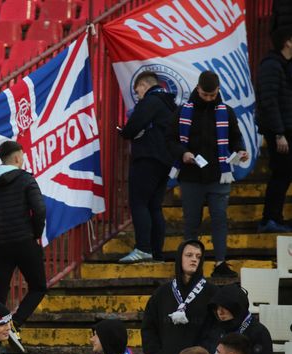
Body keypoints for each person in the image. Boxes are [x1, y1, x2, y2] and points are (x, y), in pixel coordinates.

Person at [165, 70, 249, 278]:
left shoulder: (226, 112)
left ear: (218, 90)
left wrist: (241, 151)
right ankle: (190, 266)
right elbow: (170, 140)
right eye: (205, 95)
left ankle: (220, 262)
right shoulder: (183, 111)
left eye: (213, 95)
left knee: (219, 218)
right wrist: (183, 153)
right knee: (192, 221)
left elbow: (235, 138)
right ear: (198, 89)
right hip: (191, 176)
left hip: (219, 175)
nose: (210, 99)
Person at [0, 140, 47, 353]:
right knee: (38, 287)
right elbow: (40, 209)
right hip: (24, 240)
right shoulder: (26, 179)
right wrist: (35, 233)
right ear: (17, 158)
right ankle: (14, 324)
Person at [141, 239, 218, 354]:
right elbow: (148, 326)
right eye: (189, 255)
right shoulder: (162, 293)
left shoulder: (212, 293)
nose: (194, 260)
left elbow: (216, 329)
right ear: (179, 258)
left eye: (198, 256)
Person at [118, 70, 177, 263]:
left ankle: (143, 247)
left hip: (147, 158)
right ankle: (156, 252)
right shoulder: (170, 105)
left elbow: (132, 127)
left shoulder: (151, 101)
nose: (138, 96)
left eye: (137, 91)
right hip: (165, 161)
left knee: (139, 203)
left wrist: (123, 131)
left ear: (144, 85)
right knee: (154, 206)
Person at [256, 26, 292, 233]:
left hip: (287, 128)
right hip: (279, 131)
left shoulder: (286, 65)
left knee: (285, 173)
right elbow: (269, 102)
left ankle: (275, 217)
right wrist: (279, 133)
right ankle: (269, 218)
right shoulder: (271, 65)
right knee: (281, 172)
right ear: (287, 41)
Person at [202, 284, 273, 354]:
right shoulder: (217, 329)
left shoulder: (258, 333)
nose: (220, 312)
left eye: (225, 307)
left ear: (237, 307)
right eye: (217, 308)